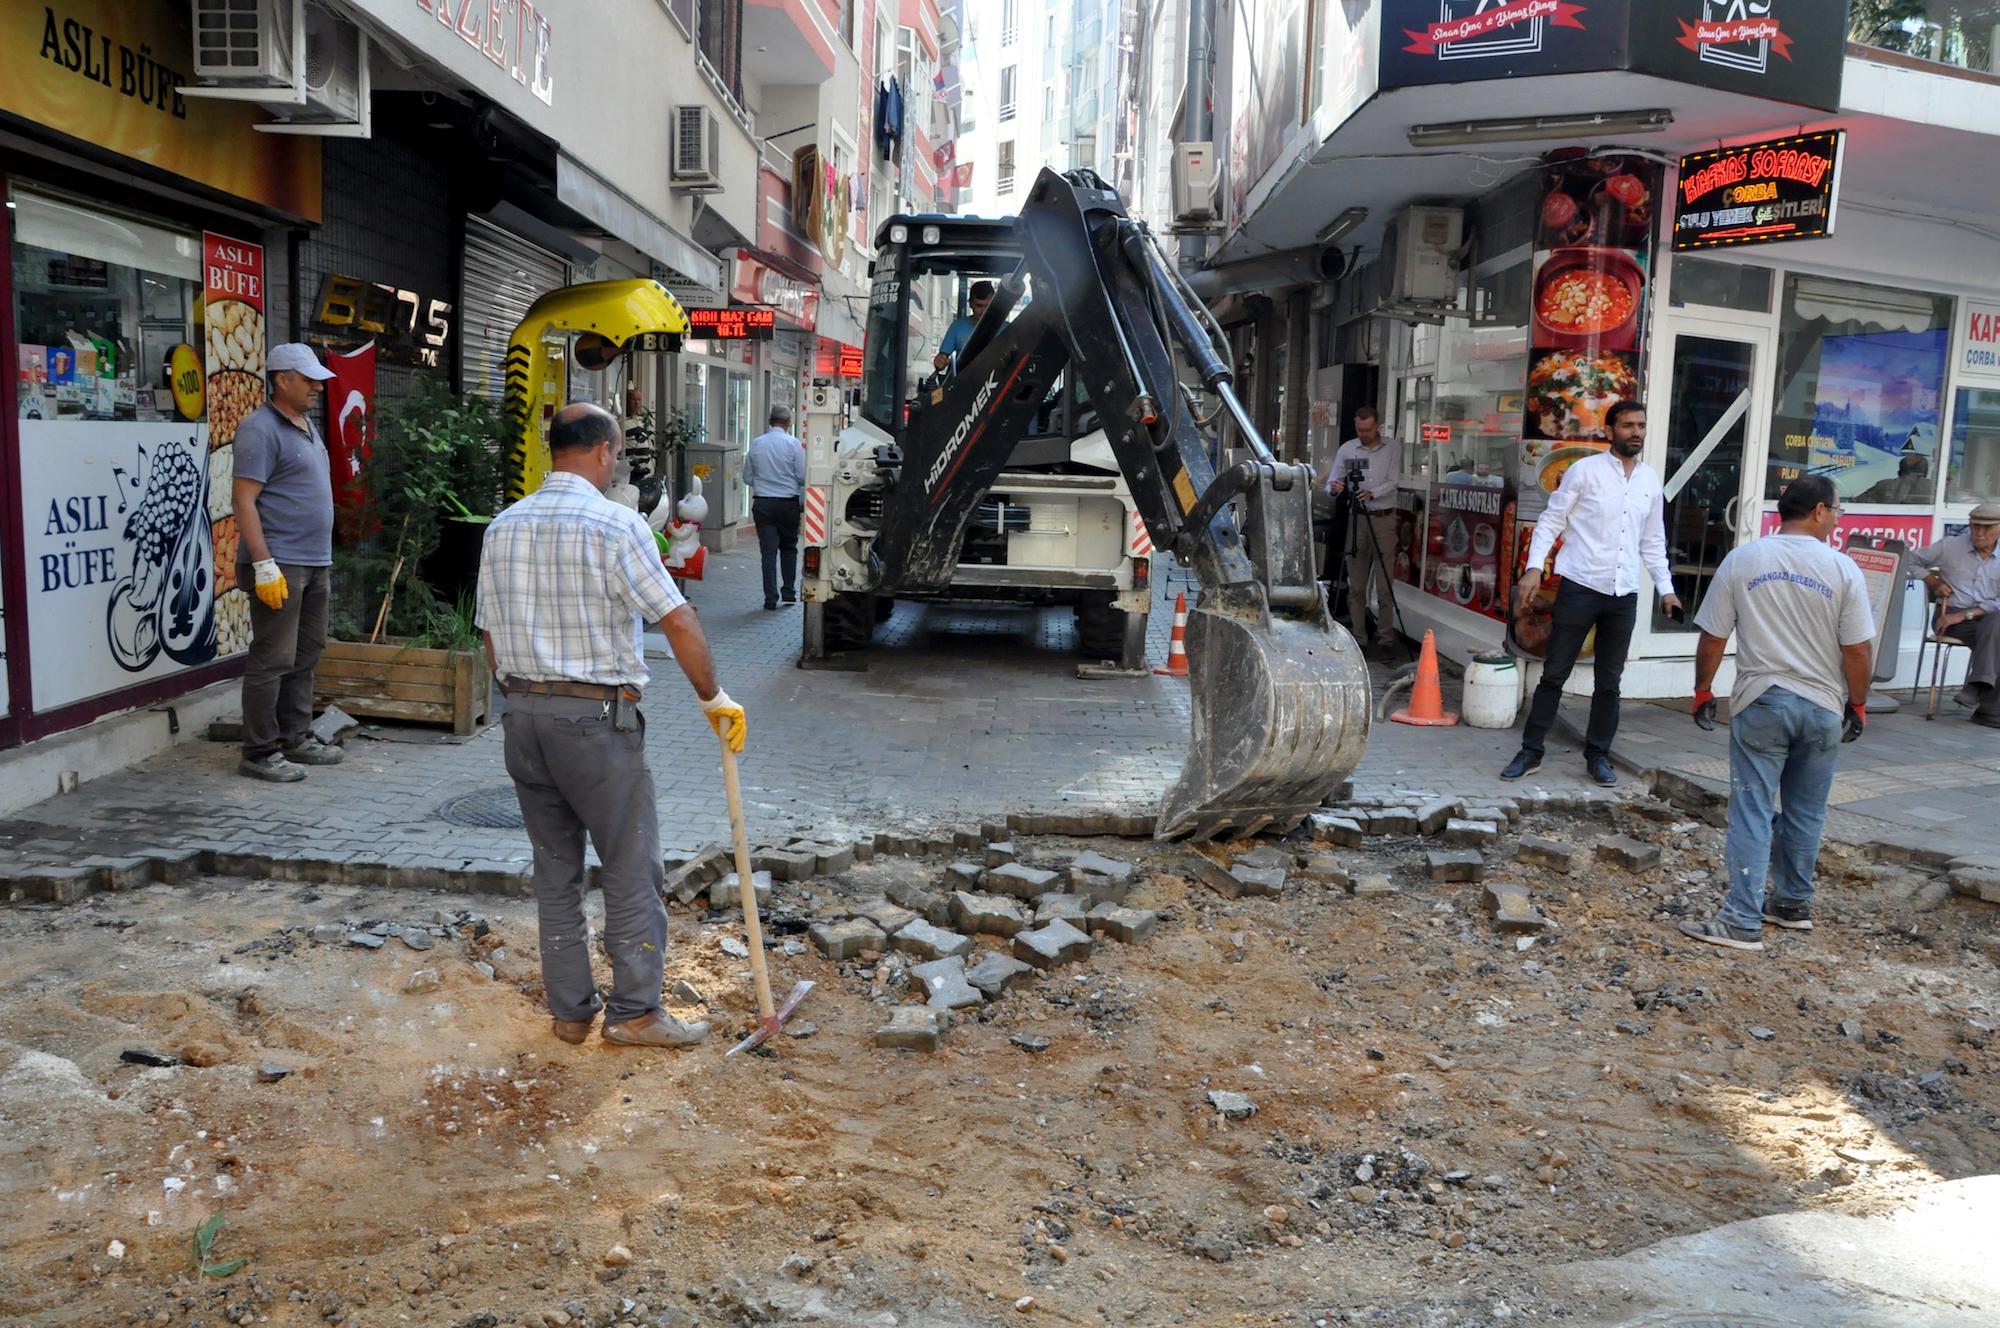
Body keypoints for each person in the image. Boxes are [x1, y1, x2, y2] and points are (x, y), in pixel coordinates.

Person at [476, 403, 748, 1049]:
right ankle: (634, 1013)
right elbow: (677, 619)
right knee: (630, 867)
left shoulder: (502, 527)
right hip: (596, 721)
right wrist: (714, 699)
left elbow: (487, 634)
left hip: (524, 719)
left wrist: (521, 694)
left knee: (555, 872)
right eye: (618, 452)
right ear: (602, 451)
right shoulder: (616, 526)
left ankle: (570, 1012)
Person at [1677, 475, 1873, 952]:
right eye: (1838, 509)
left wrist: (1703, 690)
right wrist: (1858, 701)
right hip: (1823, 706)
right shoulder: (1843, 569)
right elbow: (1859, 650)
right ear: (1821, 511)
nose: (1839, 515)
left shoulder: (1743, 560)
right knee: (1806, 812)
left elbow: (1713, 638)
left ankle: (1742, 919)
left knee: (1752, 810)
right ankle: (1791, 904)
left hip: (1762, 702)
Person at [1503, 401, 1681, 786]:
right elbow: (1551, 521)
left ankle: (1598, 755)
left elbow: (1653, 542)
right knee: (1554, 674)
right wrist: (1534, 567)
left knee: (1609, 681)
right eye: (1628, 425)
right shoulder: (1584, 472)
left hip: (1624, 594)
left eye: (1641, 425)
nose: (1636, 432)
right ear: (1609, 430)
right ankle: (1530, 751)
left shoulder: (1650, 481)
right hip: (1580, 586)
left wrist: (1667, 591)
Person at [232, 343, 341, 782]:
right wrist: (263, 564)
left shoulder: (305, 426)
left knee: (306, 651)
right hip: (280, 563)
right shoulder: (260, 429)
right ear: (281, 379)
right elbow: (243, 500)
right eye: (309, 378)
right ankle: (258, 751)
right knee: (273, 657)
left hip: (314, 561)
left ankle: (294, 737)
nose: (318, 386)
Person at [1908, 501, 2000, 728]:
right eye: (1975, 526)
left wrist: (1965, 615)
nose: (1979, 533)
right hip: (1949, 618)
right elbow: (1909, 558)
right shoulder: (1951, 546)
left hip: (1980, 619)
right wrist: (1932, 580)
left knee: (1996, 626)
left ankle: (1977, 689)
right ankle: (1989, 709)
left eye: (1987, 528)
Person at [1318, 406, 1402, 648]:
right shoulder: (1348, 449)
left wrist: (1372, 493)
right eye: (1359, 429)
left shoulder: (1392, 448)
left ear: (1378, 426)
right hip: (1358, 519)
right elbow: (1332, 482)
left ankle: (1385, 636)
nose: (1363, 434)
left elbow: (1394, 480)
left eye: (1367, 429)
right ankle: (1358, 637)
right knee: (1357, 583)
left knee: (1385, 583)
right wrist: (1334, 488)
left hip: (1384, 518)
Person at [744, 404, 808, 610]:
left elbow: (747, 477)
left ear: (770, 421)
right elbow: (802, 476)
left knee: (768, 552)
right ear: (789, 423)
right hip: (788, 503)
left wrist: (764, 482)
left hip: (763, 503)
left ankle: (770, 597)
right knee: (789, 548)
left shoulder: (756, 444)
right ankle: (788, 592)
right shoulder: (793, 444)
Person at [934, 280, 994, 373]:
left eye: (987, 306)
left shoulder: (1006, 329)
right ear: (970, 303)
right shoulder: (957, 327)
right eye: (979, 305)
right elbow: (942, 358)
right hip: (963, 382)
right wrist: (940, 361)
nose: (984, 311)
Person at [1857, 453, 1932, 505]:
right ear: (1925, 473)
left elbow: (1855, 503)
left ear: (1899, 473)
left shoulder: (1883, 486)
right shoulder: (1935, 489)